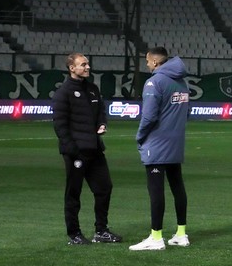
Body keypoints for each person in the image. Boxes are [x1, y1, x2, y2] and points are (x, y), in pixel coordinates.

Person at [52, 53, 122, 245]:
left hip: (95, 149)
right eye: (83, 65)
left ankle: (101, 230)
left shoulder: (92, 89)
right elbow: (60, 125)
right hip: (76, 152)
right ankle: (74, 234)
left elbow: (101, 112)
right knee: (73, 194)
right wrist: (72, 149)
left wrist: (102, 124)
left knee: (104, 188)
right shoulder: (63, 93)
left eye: (88, 64)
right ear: (71, 68)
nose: (87, 67)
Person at [129, 47, 192, 251]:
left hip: (157, 144)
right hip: (175, 143)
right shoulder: (182, 82)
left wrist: (139, 136)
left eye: (147, 61)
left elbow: (148, 117)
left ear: (155, 62)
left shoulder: (154, 82)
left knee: (156, 190)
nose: (147, 65)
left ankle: (156, 237)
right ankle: (181, 234)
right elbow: (186, 112)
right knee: (177, 187)